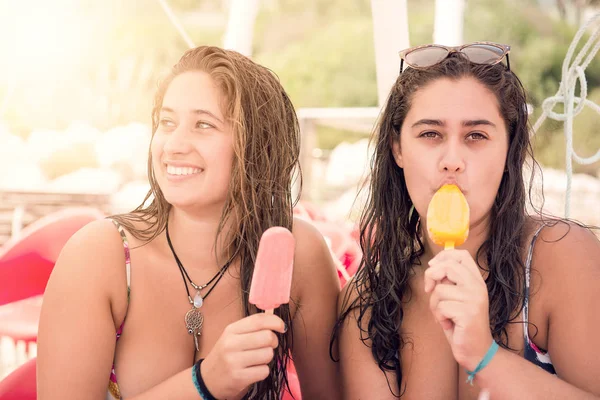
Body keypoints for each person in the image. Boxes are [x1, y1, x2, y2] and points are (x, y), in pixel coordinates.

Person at [37, 45, 341, 400]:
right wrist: (205, 383)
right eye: (167, 123)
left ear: (257, 147)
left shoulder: (299, 252)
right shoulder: (100, 257)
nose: (174, 145)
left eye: (203, 124)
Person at [334, 43, 600, 399]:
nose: (452, 160)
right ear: (398, 148)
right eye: (431, 134)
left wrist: (484, 355)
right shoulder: (370, 302)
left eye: (476, 136)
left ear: (509, 151)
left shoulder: (563, 256)